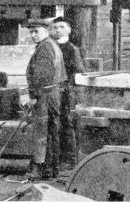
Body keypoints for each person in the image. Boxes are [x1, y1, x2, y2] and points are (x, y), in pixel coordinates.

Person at [25, 18, 66, 180]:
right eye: (31, 32)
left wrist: (33, 97)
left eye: (36, 31)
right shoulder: (51, 45)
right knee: (51, 131)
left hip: (45, 96)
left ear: (46, 31)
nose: (33, 35)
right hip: (52, 94)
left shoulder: (45, 48)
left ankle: (40, 168)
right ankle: (50, 169)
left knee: (43, 132)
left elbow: (42, 76)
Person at [51, 16, 85, 170]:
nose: (58, 30)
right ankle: (57, 158)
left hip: (66, 92)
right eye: (56, 27)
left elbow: (78, 72)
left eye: (62, 27)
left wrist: (67, 88)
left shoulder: (72, 49)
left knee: (67, 124)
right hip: (54, 91)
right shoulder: (51, 47)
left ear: (69, 30)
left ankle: (70, 159)